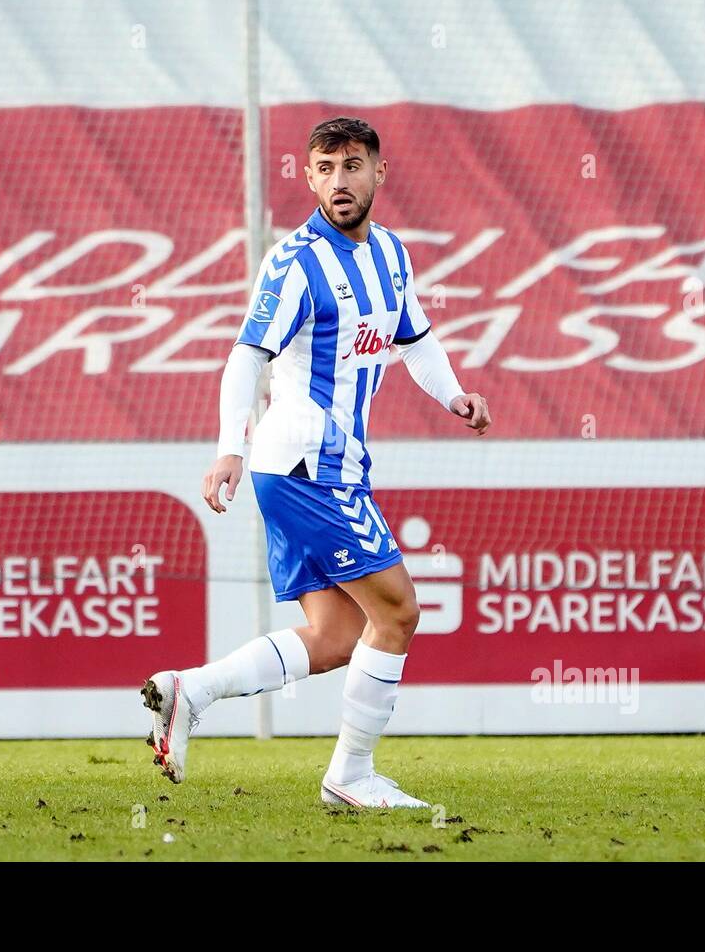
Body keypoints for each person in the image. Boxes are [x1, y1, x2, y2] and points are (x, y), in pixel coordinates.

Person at [143, 116, 490, 808]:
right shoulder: (296, 261)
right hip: (305, 466)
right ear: (308, 177)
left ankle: (191, 691)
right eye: (325, 169)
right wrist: (228, 449)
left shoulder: (391, 255)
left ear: (378, 173)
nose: (339, 181)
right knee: (398, 612)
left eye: (353, 166)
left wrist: (454, 394)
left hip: (330, 470)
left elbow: (414, 339)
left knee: (337, 637)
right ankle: (351, 776)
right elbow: (247, 356)